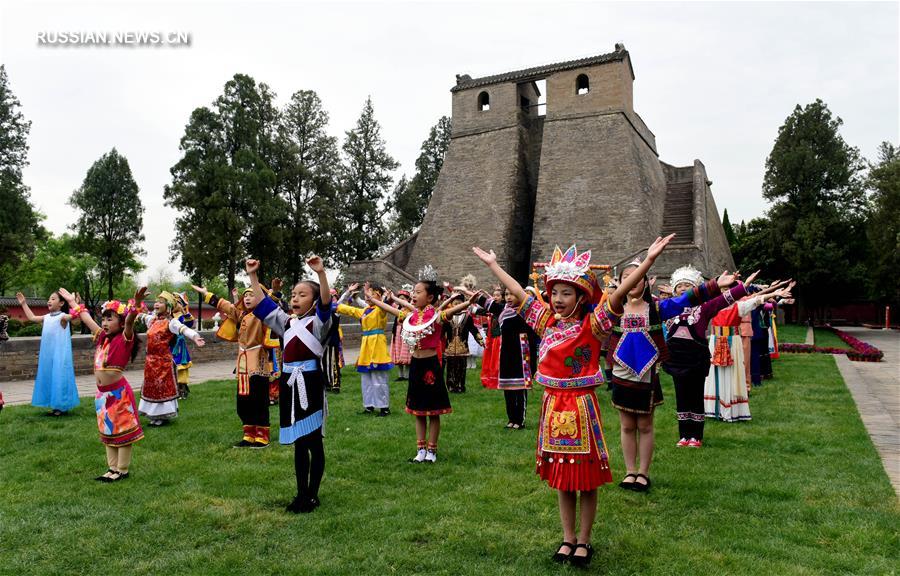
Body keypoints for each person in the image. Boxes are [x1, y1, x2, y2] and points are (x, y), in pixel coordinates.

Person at [473, 236, 675, 567]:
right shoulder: (545, 321)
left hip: (581, 407)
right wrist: (494, 266)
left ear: (581, 296)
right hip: (553, 406)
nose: (557, 298)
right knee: (563, 480)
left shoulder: (594, 325)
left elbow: (620, 294)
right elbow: (522, 295)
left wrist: (649, 261)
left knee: (586, 479)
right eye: (554, 292)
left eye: (566, 292)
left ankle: (585, 540)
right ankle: (567, 538)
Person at [248, 257, 333, 513]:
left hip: (310, 383)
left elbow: (327, 304)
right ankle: (301, 493)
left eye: (302, 294)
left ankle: (313, 494)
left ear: (314, 301)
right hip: (289, 385)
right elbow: (262, 306)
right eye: (294, 294)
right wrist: (253, 276)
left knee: (313, 442)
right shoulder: (287, 322)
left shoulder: (319, 323)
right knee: (298, 443)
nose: (295, 298)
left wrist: (321, 274)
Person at [367, 266, 474, 463]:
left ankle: (432, 451)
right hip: (416, 364)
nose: (414, 296)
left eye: (418, 292)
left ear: (430, 297)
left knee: (433, 411)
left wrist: (468, 302)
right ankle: (420, 449)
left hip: (430, 365)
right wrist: (374, 300)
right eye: (413, 292)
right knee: (417, 410)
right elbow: (392, 309)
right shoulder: (411, 316)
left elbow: (451, 311)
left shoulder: (436, 315)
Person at [60, 287, 146, 482]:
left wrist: (137, 304)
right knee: (108, 432)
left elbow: (131, 321)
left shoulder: (125, 338)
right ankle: (111, 468)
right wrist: (72, 303)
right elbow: (86, 318)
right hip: (102, 395)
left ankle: (122, 470)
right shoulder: (101, 338)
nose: (105, 323)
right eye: (104, 319)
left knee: (123, 433)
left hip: (118, 394)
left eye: (110, 319)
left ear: (121, 322)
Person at [662, 265, 749, 448]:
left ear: (696, 290)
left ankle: (696, 436)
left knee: (695, 396)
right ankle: (684, 435)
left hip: (696, 359)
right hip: (677, 359)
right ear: (674, 289)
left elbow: (723, 300)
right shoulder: (667, 308)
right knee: (681, 396)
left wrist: (741, 287)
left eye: (688, 285)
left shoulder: (705, 307)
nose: (683, 288)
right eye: (680, 285)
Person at [191, 282, 280, 447]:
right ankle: (248, 434)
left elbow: (273, 307)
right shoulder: (242, 315)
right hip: (242, 365)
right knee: (243, 401)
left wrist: (273, 293)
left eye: (251, 295)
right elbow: (227, 307)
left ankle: (262, 436)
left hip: (258, 364)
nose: (247, 298)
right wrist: (206, 293)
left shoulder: (263, 315)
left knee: (258, 400)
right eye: (245, 295)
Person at [470, 287, 537, 429]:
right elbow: (486, 302)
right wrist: (469, 292)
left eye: (512, 294)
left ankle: (520, 420)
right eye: (506, 294)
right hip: (507, 354)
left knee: (520, 388)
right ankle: (511, 419)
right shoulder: (503, 310)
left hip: (522, 353)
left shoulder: (527, 311)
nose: (509, 297)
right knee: (508, 388)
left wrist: (532, 363)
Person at [135, 291, 205, 426]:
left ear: (168, 306)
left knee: (162, 388)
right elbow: (137, 314)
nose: (156, 304)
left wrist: (195, 336)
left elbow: (184, 329)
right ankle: (153, 416)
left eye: (161, 302)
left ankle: (161, 417)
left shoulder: (171, 322)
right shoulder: (152, 320)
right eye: (156, 301)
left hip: (163, 362)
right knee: (152, 387)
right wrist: (137, 302)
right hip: (150, 361)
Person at [16, 291, 79, 416]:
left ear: (61, 303)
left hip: (60, 355)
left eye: (53, 298)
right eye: (49, 298)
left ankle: (62, 407)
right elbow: (32, 318)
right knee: (51, 378)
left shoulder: (62, 317)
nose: (49, 301)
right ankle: (56, 406)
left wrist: (75, 303)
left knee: (60, 378)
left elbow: (74, 318)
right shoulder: (46, 317)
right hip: (48, 355)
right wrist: (23, 304)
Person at [336, 283, 394, 416]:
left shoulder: (381, 309)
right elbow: (349, 310)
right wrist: (334, 304)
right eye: (368, 293)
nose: (368, 296)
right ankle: (369, 405)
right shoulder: (366, 310)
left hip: (377, 344)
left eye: (372, 294)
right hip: (366, 345)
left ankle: (384, 407)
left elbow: (384, 304)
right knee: (366, 379)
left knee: (378, 377)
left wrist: (381, 297)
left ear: (379, 296)